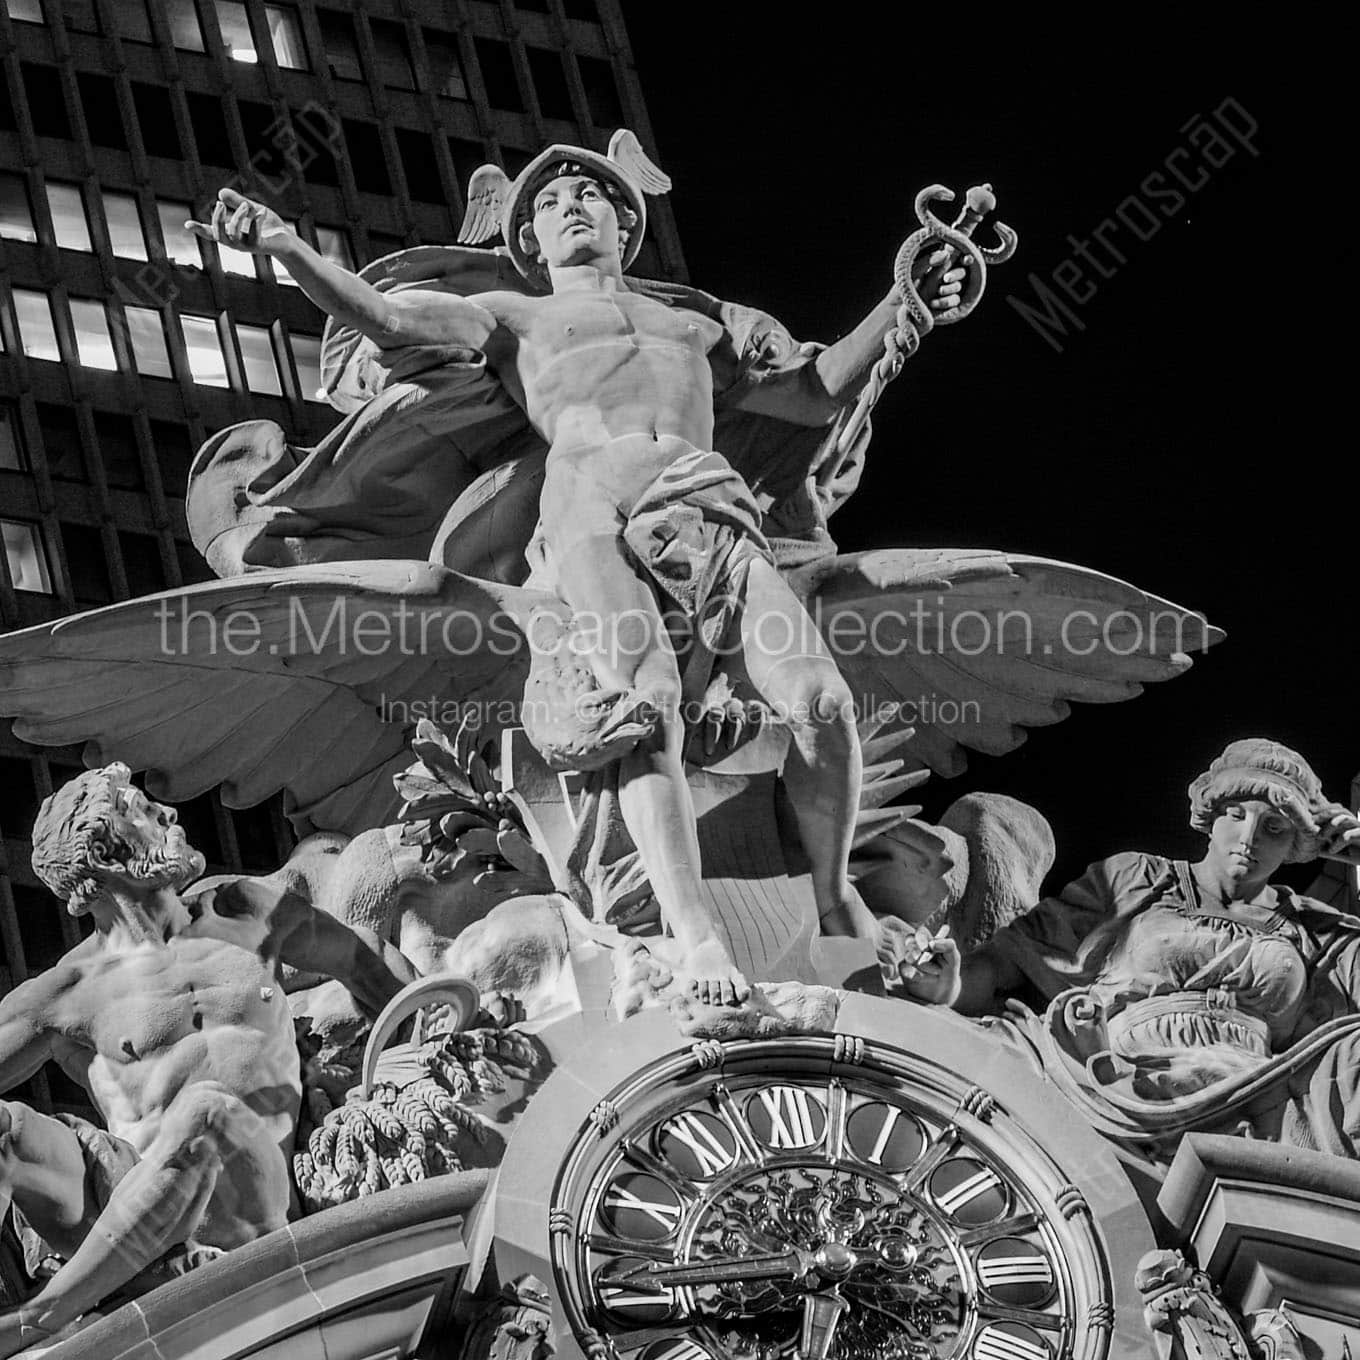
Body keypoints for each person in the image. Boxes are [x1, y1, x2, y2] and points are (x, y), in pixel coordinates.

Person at [186, 140, 972, 1007]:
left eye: (590, 196)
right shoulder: (512, 319)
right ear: (528, 236)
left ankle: (833, 897)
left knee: (820, 703)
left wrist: (902, 307)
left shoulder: (699, 327)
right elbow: (391, 320)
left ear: (626, 224)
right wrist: (285, 246)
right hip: (589, 503)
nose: (571, 207)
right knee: (645, 706)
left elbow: (815, 391)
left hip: (708, 505)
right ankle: (694, 934)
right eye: (550, 201)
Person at [0, 763, 417, 1354]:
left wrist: (432, 1044)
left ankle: (40, 1319)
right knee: (7, 1130)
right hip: (127, 1204)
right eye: (140, 810)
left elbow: (366, 960)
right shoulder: (68, 992)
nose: (169, 815)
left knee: (207, 1112)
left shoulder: (244, 911)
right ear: (103, 857)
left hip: (253, 1200)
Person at [888, 739, 1360, 1157]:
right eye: (1236, 816)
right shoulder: (1136, 880)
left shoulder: (1316, 929)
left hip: (1258, 1090)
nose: (1249, 838)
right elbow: (1010, 959)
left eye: (1274, 828)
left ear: (1300, 844)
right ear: (1211, 819)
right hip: (1121, 1077)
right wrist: (949, 984)